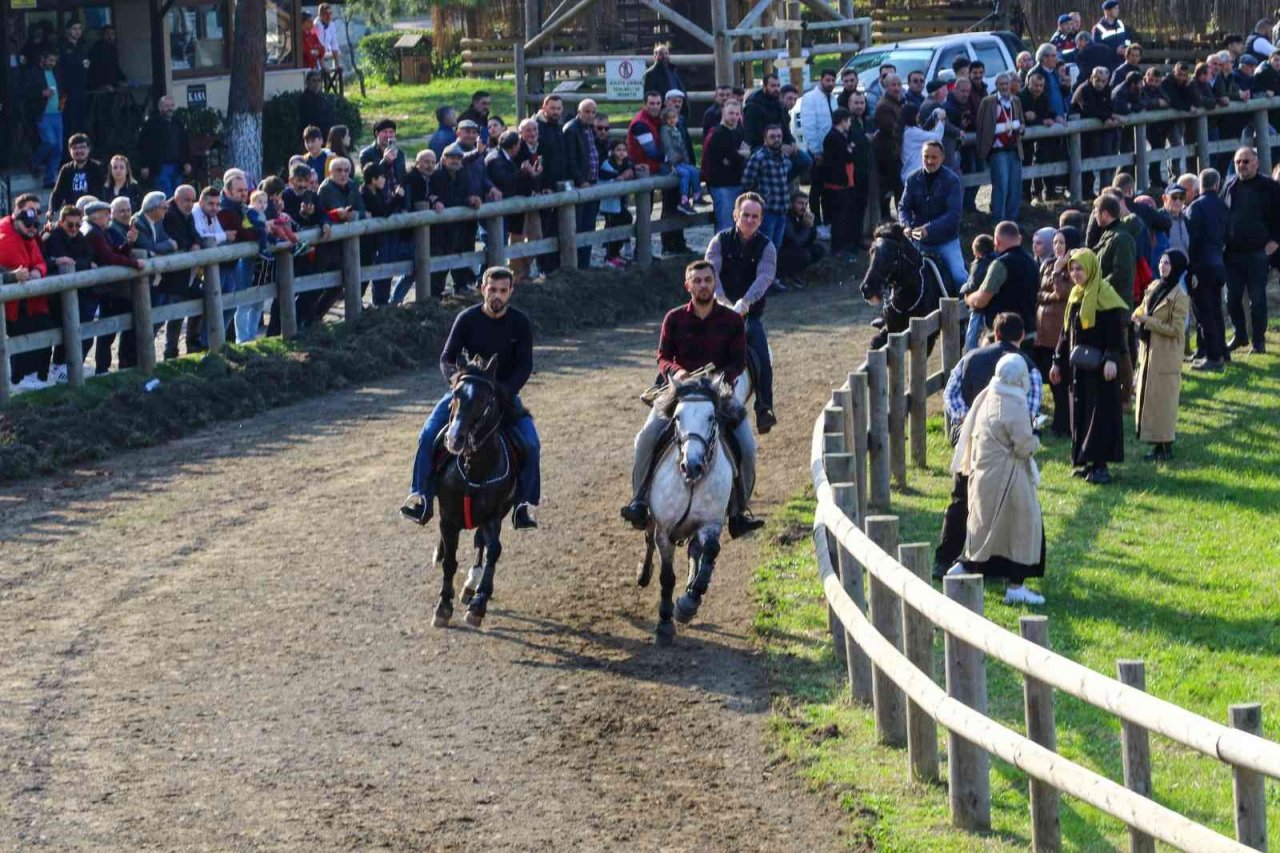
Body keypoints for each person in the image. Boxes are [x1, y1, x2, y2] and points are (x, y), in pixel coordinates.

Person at [619, 260, 762, 538]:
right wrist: (678, 371)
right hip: (678, 393)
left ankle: (739, 512)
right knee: (646, 437)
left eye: (708, 280)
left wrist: (720, 379)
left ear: (714, 283)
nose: (703, 285)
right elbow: (662, 357)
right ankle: (638, 500)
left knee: (747, 446)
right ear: (688, 285)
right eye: (697, 281)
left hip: (718, 395)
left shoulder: (732, 320)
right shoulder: (673, 318)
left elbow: (738, 362)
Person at [401, 266, 540, 529]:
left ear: (511, 292)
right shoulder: (467, 318)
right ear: (482, 289)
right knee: (428, 434)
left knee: (531, 444)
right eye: (492, 290)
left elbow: (524, 366)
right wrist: (457, 383)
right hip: (465, 394)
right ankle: (421, 496)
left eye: (502, 291)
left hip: (502, 396)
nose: (497, 296)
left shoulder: (520, 323)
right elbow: (447, 358)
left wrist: (505, 393)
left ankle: (523, 505)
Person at [935, 312, 1040, 580]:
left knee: (961, 501)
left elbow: (951, 393)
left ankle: (946, 559)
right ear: (1020, 336)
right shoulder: (1026, 366)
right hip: (1005, 450)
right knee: (1010, 510)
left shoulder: (970, 358)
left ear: (995, 332)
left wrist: (966, 419)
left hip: (969, 442)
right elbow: (1030, 407)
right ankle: (999, 567)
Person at [947, 353, 1045, 605]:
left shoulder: (989, 394)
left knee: (982, 524)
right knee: (1021, 525)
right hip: (1008, 477)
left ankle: (965, 567)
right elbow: (1023, 445)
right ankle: (1015, 585)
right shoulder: (1014, 402)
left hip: (984, 473)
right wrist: (1037, 437)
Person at [1050, 248, 1128, 485]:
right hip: (1079, 369)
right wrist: (1057, 362)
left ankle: (1100, 465)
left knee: (1100, 415)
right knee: (1081, 413)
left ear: (1091, 268)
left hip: (1101, 370)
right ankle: (1085, 460)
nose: (1075, 274)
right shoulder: (1076, 295)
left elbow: (1116, 334)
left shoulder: (1106, 296)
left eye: (1079, 268)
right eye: (1072, 269)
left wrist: (1112, 359)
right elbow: (1066, 333)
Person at [705, 192, 777, 434]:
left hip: (748, 315)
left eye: (755, 217)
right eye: (745, 215)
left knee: (761, 355)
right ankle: (664, 389)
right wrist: (723, 302)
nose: (749, 220)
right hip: (716, 312)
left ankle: (764, 407)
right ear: (735, 215)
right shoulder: (719, 241)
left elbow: (764, 278)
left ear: (761, 219)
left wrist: (745, 303)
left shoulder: (767, 247)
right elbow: (710, 275)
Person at [1221, 147, 1280, 354]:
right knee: (1232, 298)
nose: (1242, 166)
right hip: (1233, 253)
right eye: (1238, 162)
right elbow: (1222, 215)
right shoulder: (1229, 185)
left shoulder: (1270, 187)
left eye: (1246, 161)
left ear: (1256, 162)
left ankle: (1258, 341)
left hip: (1258, 253)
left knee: (1258, 300)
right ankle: (1240, 334)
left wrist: (1276, 240)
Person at [1133, 250, 1190, 461]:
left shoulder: (1180, 297)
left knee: (1163, 402)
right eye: (1161, 263)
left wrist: (1148, 321)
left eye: (1167, 264)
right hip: (1149, 352)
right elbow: (1144, 306)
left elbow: (1176, 329)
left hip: (1165, 356)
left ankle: (1165, 446)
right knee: (1150, 398)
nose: (1162, 267)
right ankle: (1155, 443)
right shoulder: (1154, 286)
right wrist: (1138, 314)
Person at [899, 140, 965, 293]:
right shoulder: (912, 179)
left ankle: (968, 313)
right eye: (926, 157)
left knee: (959, 277)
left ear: (942, 158)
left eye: (934, 157)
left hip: (946, 242)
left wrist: (929, 229)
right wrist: (906, 226)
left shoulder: (952, 181)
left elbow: (953, 215)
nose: (929, 161)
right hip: (918, 243)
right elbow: (903, 207)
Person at [1035, 226, 1082, 436]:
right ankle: (1060, 420)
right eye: (1055, 242)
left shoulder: (1075, 268)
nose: (1057, 247)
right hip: (1043, 332)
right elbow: (1040, 294)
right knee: (1050, 378)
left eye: (1061, 243)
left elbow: (1063, 292)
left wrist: (1058, 272)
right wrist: (1051, 295)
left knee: (1062, 381)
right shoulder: (1047, 264)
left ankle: (1064, 424)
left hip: (1060, 332)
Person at [965, 221, 1040, 350]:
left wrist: (968, 298)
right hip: (1029, 334)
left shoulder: (1000, 264)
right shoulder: (1031, 262)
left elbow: (982, 299)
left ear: (997, 242)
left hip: (1004, 337)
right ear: (1019, 238)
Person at [0, 207, 51, 392]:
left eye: (34, 225)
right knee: (20, 336)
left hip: (26, 300)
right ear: (16, 223)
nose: (32, 229)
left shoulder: (27, 238)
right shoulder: (6, 240)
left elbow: (38, 261)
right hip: (12, 302)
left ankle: (28, 377)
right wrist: (13, 276)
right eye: (27, 225)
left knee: (34, 330)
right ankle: (18, 379)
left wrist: (38, 270)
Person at [1185, 167, 1228, 370]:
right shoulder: (1222, 206)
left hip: (1202, 265)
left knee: (1204, 313)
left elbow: (1192, 241)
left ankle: (1213, 357)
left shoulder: (1195, 208)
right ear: (1217, 184)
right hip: (1219, 263)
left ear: (1200, 185)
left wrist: (1191, 268)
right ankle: (1222, 351)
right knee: (1217, 311)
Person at [977, 72, 1025, 223]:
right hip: (998, 151)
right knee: (1001, 186)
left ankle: (1013, 221)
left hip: (1014, 148)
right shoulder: (988, 102)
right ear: (996, 86)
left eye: (1006, 83)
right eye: (1001, 84)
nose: (1004, 86)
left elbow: (1021, 121)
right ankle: (999, 221)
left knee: (1015, 187)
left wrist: (1020, 127)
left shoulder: (1015, 101)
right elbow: (982, 125)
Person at [563, 99, 601, 268]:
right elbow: (570, 159)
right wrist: (581, 180)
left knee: (589, 224)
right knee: (577, 226)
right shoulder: (571, 130)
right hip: (580, 185)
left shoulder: (591, 129)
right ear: (579, 112)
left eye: (593, 112)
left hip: (592, 182)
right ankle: (576, 264)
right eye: (587, 112)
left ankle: (585, 262)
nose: (590, 115)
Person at [740, 125, 790, 251]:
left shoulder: (784, 158)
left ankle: (772, 271)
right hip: (767, 212)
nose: (776, 139)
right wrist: (762, 198)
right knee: (762, 248)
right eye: (772, 137)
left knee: (776, 248)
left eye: (779, 136)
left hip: (782, 211)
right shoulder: (758, 158)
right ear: (765, 140)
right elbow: (746, 182)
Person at [704, 98, 749, 233]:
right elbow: (732, 158)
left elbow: (736, 157)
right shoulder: (718, 134)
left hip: (737, 182)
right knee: (725, 225)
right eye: (731, 113)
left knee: (737, 223)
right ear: (723, 112)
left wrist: (738, 155)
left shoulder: (738, 132)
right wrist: (741, 155)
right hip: (721, 185)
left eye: (737, 114)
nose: (734, 117)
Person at [821, 107, 858, 257]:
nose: (849, 124)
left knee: (842, 216)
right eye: (849, 121)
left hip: (840, 182)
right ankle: (837, 249)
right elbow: (846, 156)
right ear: (843, 121)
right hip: (837, 183)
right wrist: (850, 150)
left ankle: (842, 245)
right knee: (838, 218)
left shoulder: (838, 136)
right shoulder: (834, 138)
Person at [137, 95, 192, 195]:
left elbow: (185, 144)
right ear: (160, 108)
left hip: (178, 166)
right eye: (166, 106)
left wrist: (187, 162)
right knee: (166, 195)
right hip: (160, 167)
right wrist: (144, 165)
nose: (169, 108)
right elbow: (144, 146)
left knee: (178, 195)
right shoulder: (151, 124)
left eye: (172, 105)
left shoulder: (178, 123)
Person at [26, 50, 62, 189]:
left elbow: (62, 89)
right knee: (49, 141)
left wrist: (62, 104)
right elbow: (24, 91)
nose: (52, 64)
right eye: (50, 60)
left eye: (54, 61)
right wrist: (42, 93)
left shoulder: (56, 72)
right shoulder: (33, 73)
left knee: (58, 148)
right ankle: (34, 161)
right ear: (43, 58)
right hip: (43, 113)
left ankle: (49, 179)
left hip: (57, 113)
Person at [598, 139, 636, 268]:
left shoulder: (627, 164)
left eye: (624, 150)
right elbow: (610, 178)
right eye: (618, 150)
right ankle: (610, 256)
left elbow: (630, 172)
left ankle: (615, 253)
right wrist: (622, 176)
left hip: (619, 201)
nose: (621, 153)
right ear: (612, 151)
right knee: (613, 226)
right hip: (609, 202)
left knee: (626, 219)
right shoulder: (607, 165)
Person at [872, 74, 905, 218]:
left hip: (895, 151)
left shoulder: (898, 102)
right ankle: (888, 217)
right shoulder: (884, 105)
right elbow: (890, 128)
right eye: (893, 85)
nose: (897, 88)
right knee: (892, 188)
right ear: (886, 86)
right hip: (888, 153)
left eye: (899, 84)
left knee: (897, 187)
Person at [659, 106, 699, 215]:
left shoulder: (676, 130)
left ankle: (697, 196)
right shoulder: (665, 131)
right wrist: (673, 161)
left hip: (681, 160)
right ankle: (684, 200)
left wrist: (686, 160)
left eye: (674, 117)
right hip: (671, 162)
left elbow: (683, 146)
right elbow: (668, 147)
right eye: (669, 118)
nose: (672, 120)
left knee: (694, 171)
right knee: (685, 174)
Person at [50, 133, 106, 212]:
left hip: (93, 211)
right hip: (72, 213)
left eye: (82, 147)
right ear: (70, 151)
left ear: (89, 149)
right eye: (75, 148)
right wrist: (51, 210)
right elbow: (57, 193)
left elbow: (102, 192)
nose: (79, 151)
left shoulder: (97, 168)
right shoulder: (66, 169)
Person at [778, 191, 824, 283]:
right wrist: (806, 227)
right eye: (800, 203)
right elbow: (796, 241)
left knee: (819, 250)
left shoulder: (802, 216)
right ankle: (787, 274)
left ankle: (797, 272)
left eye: (806, 204)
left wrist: (812, 225)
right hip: (784, 251)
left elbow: (811, 239)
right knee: (805, 255)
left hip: (797, 248)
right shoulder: (786, 218)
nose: (803, 207)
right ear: (791, 204)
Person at [962, 233, 998, 350]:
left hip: (979, 309)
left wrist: (963, 290)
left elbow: (972, 284)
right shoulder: (998, 260)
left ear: (977, 251)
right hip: (995, 308)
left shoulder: (979, 265)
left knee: (972, 339)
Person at [57, 21, 89, 136]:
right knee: (67, 122)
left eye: (79, 28)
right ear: (68, 31)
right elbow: (60, 70)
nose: (77, 31)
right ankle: (66, 152)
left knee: (81, 122)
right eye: (74, 28)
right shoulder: (62, 48)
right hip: (66, 92)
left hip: (81, 90)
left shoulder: (82, 48)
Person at [643, 44, 688, 118]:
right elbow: (649, 95)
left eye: (666, 53)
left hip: (678, 111)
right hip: (663, 113)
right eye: (660, 54)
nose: (664, 56)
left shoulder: (674, 70)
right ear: (655, 56)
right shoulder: (650, 74)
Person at [1092, 0, 1136, 68]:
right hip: (1108, 65)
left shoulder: (1120, 23)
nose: (1118, 10)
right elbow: (1097, 49)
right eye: (1115, 8)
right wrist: (1115, 50)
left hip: (1123, 62)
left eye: (1118, 8)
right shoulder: (1098, 28)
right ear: (1107, 11)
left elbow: (1127, 39)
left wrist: (1126, 49)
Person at [315, 3, 342, 69]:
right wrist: (323, 67)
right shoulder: (317, 26)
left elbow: (334, 46)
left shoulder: (332, 24)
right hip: (314, 60)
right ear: (320, 15)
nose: (328, 16)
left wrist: (337, 65)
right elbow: (318, 49)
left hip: (323, 56)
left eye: (330, 13)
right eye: (325, 14)